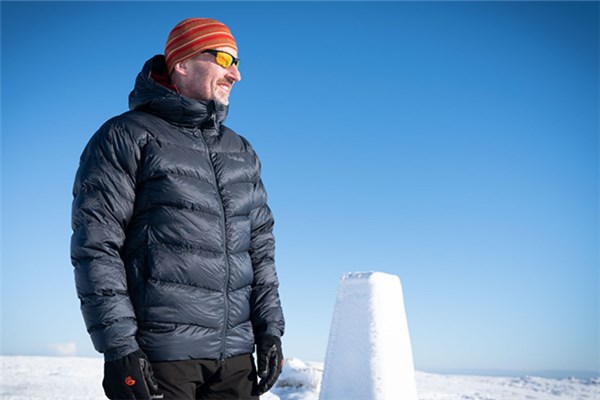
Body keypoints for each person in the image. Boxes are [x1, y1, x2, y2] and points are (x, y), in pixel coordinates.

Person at [71, 17, 285, 400]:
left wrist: (269, 330)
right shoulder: (126, 136)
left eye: (237, 62)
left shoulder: (241, 151)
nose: (235, 74)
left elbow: (260, 251)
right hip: (161, 359)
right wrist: (119, 347)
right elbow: (97, 246)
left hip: (236, 361)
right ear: (182, 63)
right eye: (223, 59)